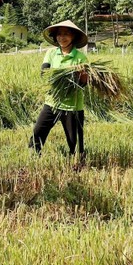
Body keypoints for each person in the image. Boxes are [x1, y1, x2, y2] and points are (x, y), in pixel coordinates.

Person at [29, 20, 89, 165]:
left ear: (73, 37)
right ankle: (33, 158)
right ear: (55, 37)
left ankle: (77, 163)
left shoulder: (80, 57)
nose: (62, 37)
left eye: (66, 34)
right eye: (59, 34)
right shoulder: (51, 53)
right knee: (37, 132)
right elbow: (44, 73)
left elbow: (83, 84)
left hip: (72, 105)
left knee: (73, 141)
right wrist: (61, 74)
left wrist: (81, 75)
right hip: (52, 102)